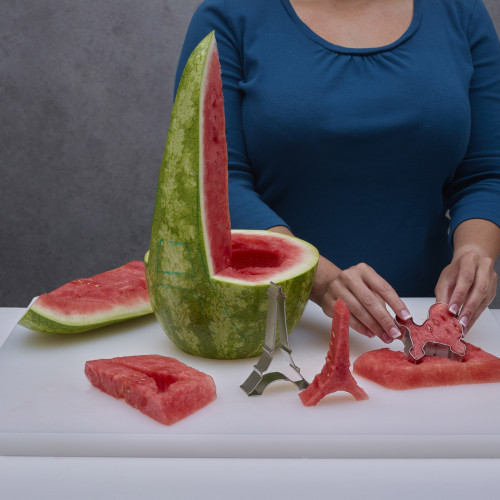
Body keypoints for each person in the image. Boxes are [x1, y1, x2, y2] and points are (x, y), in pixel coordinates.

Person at [175, 0, 500, 344]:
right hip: (277, 325)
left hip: (433, 321)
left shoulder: (461, 11)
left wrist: (474, 253)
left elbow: (483, 173)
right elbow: (218, 181)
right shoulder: (228, 14)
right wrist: (317, 279)